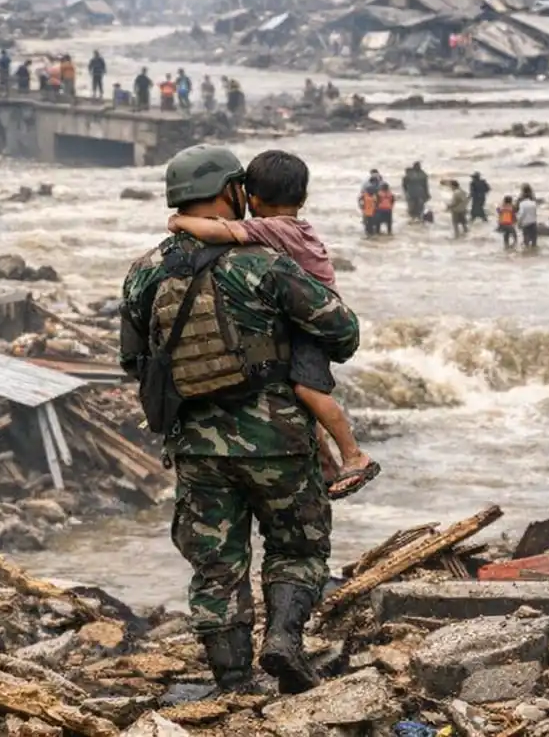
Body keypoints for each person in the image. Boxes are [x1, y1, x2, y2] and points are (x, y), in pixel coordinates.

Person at [120, 145, 360, 695]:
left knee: (217, 565)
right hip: (279, 440)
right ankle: (283, 641)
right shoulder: (267, 263)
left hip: (196, 448)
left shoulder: (144, 272)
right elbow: (343, 332)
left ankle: (231, 681)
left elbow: (135, 361)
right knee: (297, 547)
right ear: (233, 192)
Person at [165, 149, 378, 501]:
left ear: (253, 198)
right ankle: (334, 462)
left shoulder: (154, 267)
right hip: (279, 432)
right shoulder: (278, 242)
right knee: (305, 393)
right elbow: (342, 331)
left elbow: (218, 232)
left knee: (309, 391)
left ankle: (353, 455)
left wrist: (179, 223)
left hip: (194, 441)